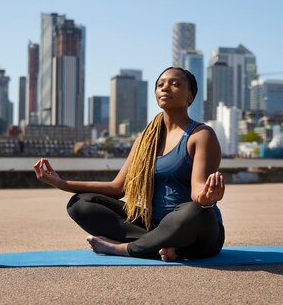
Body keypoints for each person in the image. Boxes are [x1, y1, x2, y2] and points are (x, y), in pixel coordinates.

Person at [33, 67, 225, 262]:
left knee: (194, 211)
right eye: (160, 85)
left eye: (175, 84)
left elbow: (198, 190)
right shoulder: (146, 139)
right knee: (80, 204)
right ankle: (161, 246)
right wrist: (63, 184)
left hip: (197, 230)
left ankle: (123, 248)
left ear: (190, 97)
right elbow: (118, 188)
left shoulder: (200, 135)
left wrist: (206, 198)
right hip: (154, 225)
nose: (165, 88)